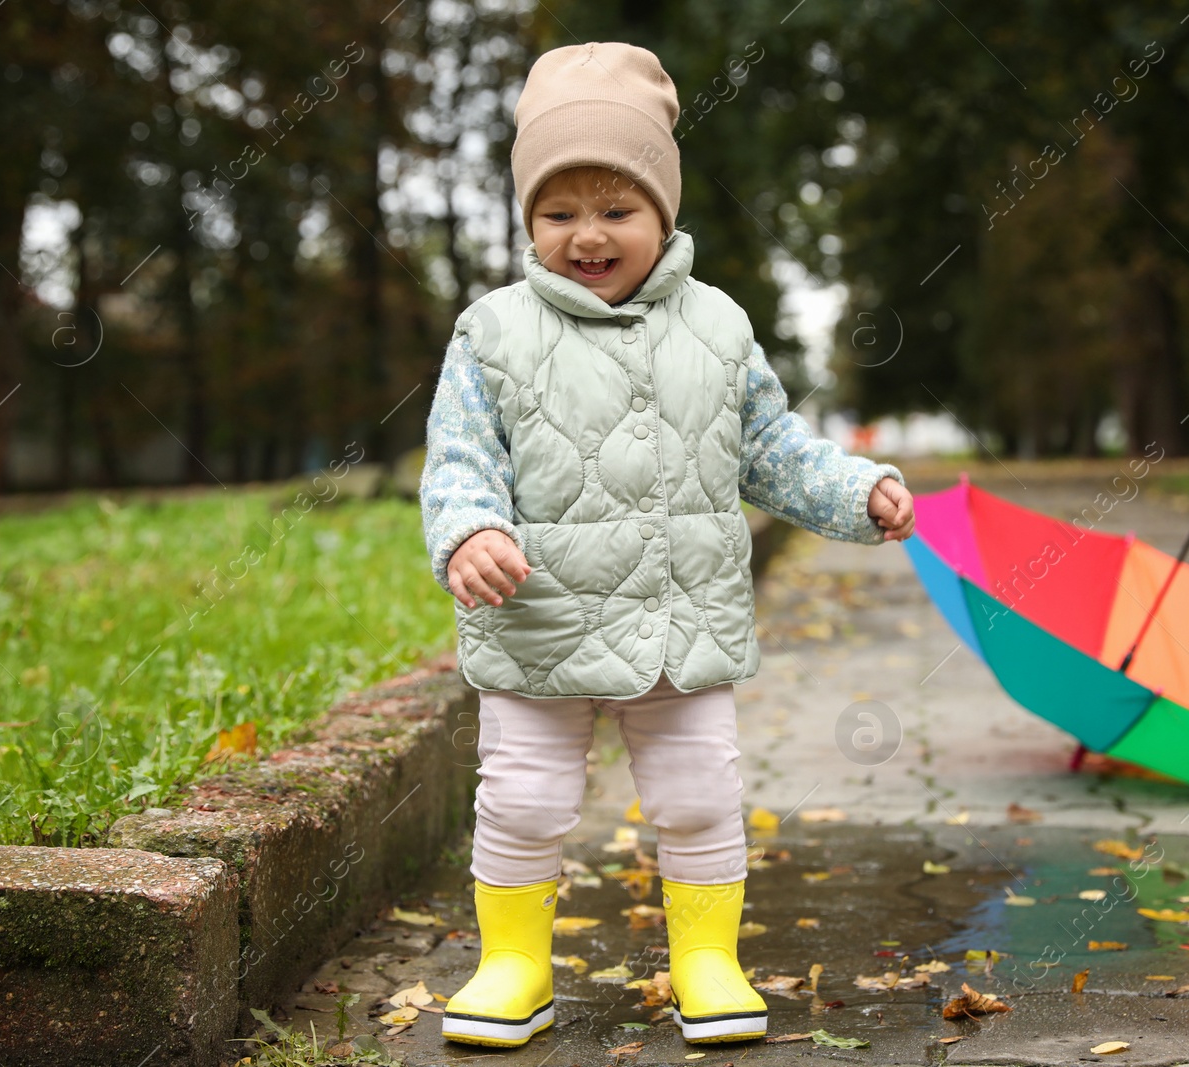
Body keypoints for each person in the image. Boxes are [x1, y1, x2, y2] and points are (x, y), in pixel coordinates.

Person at [419, 40, 916, 1048]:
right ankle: (512, 961)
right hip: (537, 620)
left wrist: (854, 488)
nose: (587, 236)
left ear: (664, 211)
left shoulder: (718, 327)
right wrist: (469, 529)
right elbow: (459, 457)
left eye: (616, 208)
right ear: (527, 219)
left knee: (699, 797)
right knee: (523, 800)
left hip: (676, 619)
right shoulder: (491, 331)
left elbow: (770, 447)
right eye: (558, 212)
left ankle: (707, 956)